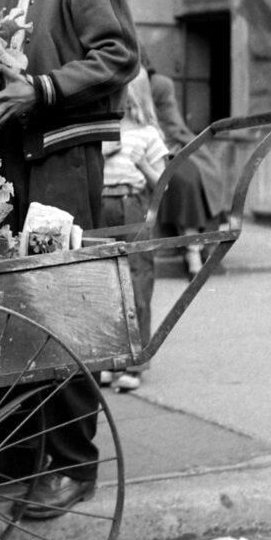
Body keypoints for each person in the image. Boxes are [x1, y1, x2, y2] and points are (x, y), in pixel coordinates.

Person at [0, 0, 139, 519]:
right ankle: (14, 449)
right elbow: (7, 66)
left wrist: (39, 88)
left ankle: (70, 464)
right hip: (12, 156)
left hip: (65, 156)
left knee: (60, 306)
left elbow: (118, 55)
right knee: (6, 303)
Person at [99, 67, 169, 392]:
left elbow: (163, 184)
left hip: (132, 204)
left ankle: (136, 360)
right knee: (105, 283)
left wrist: (141, 164)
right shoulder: (103, 129)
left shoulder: (148, 133)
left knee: (137, 281)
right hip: (102, 206)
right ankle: (110, 357)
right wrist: (104, 154)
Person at [146, 57, 227, 277]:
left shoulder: (159, 86)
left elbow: (172, 124)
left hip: (168, 146)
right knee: (183, 182)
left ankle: (201, 246)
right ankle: (193, 252)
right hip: (140, 151)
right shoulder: (123, 84)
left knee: (204, 173)